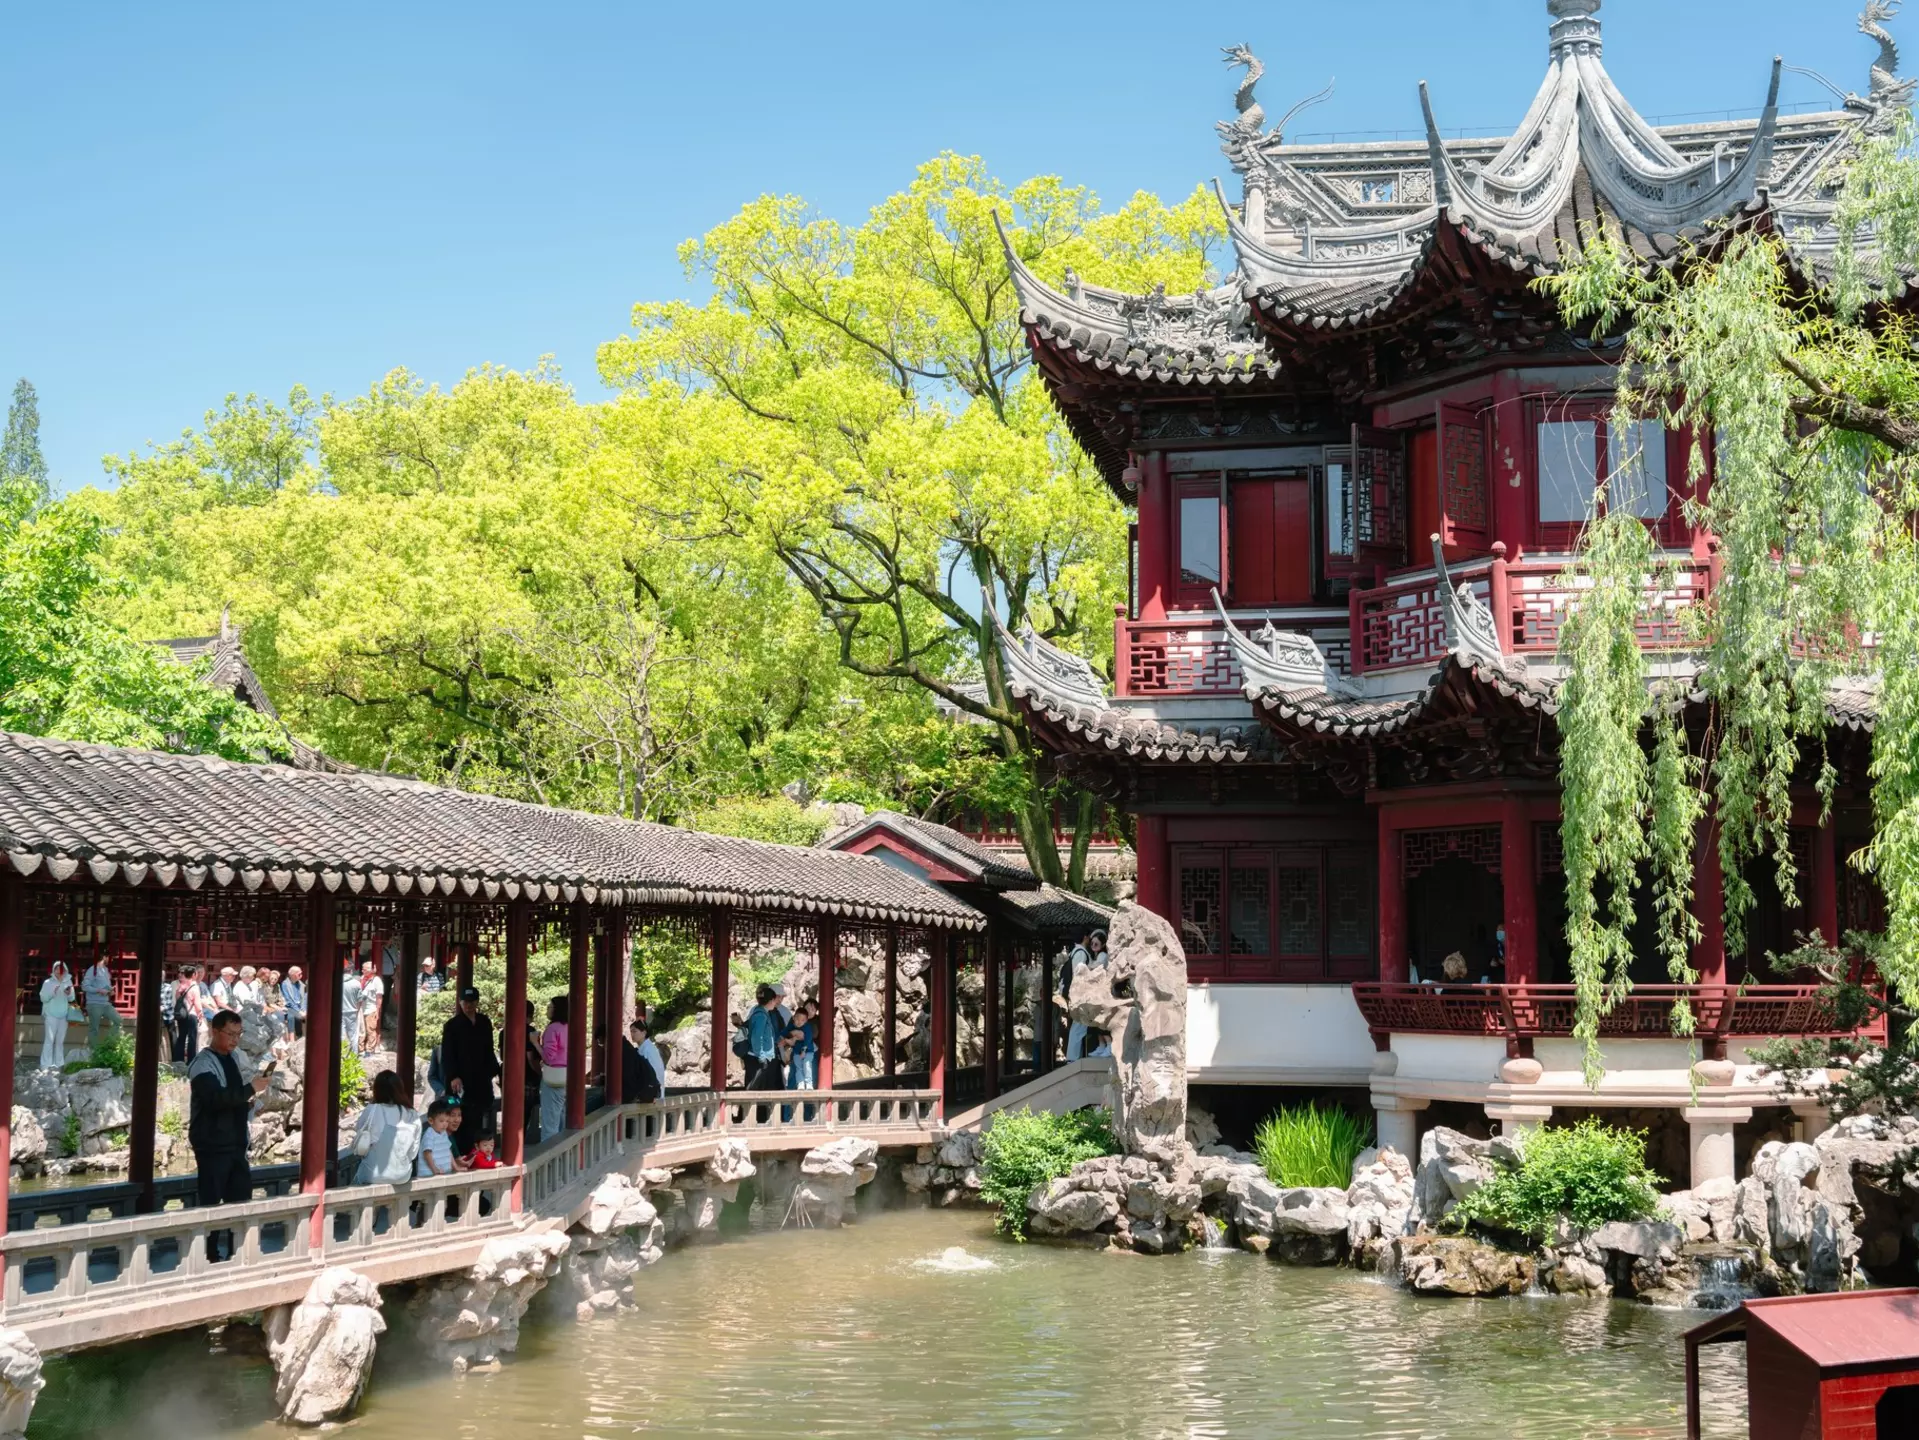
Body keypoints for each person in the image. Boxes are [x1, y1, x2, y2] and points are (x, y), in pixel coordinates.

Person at [188, 1009, 273, 1257]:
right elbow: (215, 1100)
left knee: (240, 1200)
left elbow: (232, 1096)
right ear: (215, 1031)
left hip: (235, 1141)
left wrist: (249, 1100)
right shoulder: (203, 1064)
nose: (235, 1040)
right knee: (212, 1203)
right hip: (212, 1143)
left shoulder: (233, 1058)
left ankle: (238, 1254)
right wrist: (249, 1088)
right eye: (230, 1034)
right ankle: (209, 1255)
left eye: (239, 1034)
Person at [441, 986, 498, 1151]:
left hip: (480, 1080)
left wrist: (493, 1071)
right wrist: (453, 1076)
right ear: (460, 1003)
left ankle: (475, 1153)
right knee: (458, 1118)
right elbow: (448, 1054)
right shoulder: (452, 1025)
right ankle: (458, 1154)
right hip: (460, 1081)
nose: (469, 1006)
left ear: (477, 1002)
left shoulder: (484, 1022)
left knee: (478, 1117)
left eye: (472, 1002)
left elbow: (489, 1049)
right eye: (466, 1002)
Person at [351, 1069, 423, 1185]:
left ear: (377, 1089)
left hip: (374, 1174)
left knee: (357, 1178)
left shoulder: (372, 1110)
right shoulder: (412, 1114)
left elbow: (360, 1132)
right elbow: (413, 1153)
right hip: (403, 1175)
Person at [1057, 927, 1094, 1062]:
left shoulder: (1075, 951)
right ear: (1085, 937)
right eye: (1089, 936)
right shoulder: (1081, 953)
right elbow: (1078, 973)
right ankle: (1073, 1057)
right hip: (1079, 994)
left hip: (1076, 994)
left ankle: (1074, 1056)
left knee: (1079, 1026)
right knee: (1079, 1026)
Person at [540, 996, 570, 1139]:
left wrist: (535, 1042)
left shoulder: (553, 1028)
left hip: (553, 1078)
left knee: (550, 1123)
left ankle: (549, 1157)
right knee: (564, 1121)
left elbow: (548, 1057)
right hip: (569, 1076)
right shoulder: (570, 1027)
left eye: (550, 1007)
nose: (547, 1010)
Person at [38, 961, 76, 1069]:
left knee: (60, 1041)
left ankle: (59, 1064)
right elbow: (43, 998)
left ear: (65, 970)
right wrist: (52, 992)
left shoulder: (68, 982)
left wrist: (69, 993)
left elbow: (72, 998)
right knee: (49, 1039)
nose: (59, 971)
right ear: (53, 970)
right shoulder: (48, 982)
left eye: (61, 969)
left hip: (63, 1015)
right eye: (56, 969)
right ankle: (45, 1064)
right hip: (50, 1014)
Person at [744, 985, 783, 1090]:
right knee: (754, 1088)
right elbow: (757, 1038)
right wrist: (761, 1056)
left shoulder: (761, 1013)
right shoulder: (761, 1016)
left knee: (760, 1087)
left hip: (759, 1056)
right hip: (757, 1057)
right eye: (775, 1000)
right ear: (770, 1001)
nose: (776, 1003)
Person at [621, 1018, 664, 1104]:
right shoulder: (644, 1048)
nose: (632, 1034)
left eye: (634, 1031)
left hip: (653, 1091)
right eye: (631, 1031)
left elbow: (655, 1071)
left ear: (644, 1033)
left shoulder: (649, 1050)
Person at [80, 957, 118, 1047]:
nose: (110, 959)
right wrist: (98, 990)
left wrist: (110, 991)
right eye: (108, 957)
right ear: (104, 957)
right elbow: (84, 986)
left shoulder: (105, 970)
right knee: (94, 1029)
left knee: (118, 1021)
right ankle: (94, 1052)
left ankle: (109, 1045)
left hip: (105, 1003)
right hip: (94, 1003)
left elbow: (106, 986)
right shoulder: (92, 970)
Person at [416, 1098, 457, 1178]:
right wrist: (434, 1169)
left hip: (443, 1173)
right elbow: (427, 1154)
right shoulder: (429, 1135)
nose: (445, 1124)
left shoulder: (444, 1133)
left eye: (447, 1121)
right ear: (431, 1121)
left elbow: (448, 1150)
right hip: (429, 1175)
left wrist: (455, 1166)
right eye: (441, 1121)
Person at [171, 965, 203, 1063]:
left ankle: (178, 1060)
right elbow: (197, 1003)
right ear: (194, 974)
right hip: (192, 1014)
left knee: (181, 1037)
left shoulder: (181, 985)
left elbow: (177, 998)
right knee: (192, 1038)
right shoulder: (194, 986)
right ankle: (191, 1060)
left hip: (182, 1014)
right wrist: (200, 1014)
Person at [357, 961, 384, 1055]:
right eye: (362, 968)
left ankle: (370, 1049)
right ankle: (361, 1049)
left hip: (371, 1008)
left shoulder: (377, 981)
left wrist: (377, 1010)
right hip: (361, 1008)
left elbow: (379, 996)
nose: (362, 970)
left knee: (370, 1030)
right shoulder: (361, 978)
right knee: (361, 1030)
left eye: (364, 969)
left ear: (370, 970)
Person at [340, 958, 363, 1051]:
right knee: (353, 1035)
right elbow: (359, 1000)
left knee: (341, 1035)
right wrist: (357, 1011)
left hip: (340, 1012)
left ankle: (342, 1055)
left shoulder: (336, 983)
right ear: (351, 971)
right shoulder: (357, 983)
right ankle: (353, 1055)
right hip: (352, 1011)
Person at [280, 965, 306, 1039]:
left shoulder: (300, 984)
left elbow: (303, 998)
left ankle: (301, 1037)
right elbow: (288, 1001)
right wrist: (299, 1011)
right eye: (299, 974)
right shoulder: (285, 984)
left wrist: (303, 1009)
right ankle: (296, 1038)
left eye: (301, 973)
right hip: (289, 1007)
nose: (301, 975)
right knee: (297, 1016)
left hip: (299, 1006)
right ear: (293, 974)